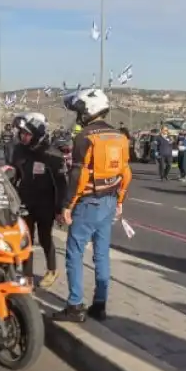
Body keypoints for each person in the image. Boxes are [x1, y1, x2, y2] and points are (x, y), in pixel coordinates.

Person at [54, 88, 132, 323]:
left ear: (88, 110)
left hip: (88, 202)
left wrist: (67, 206)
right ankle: (100, 305)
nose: (78, 115)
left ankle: (75, 305)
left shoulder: (85, 137)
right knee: (101, 255)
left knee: (75, 254)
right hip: (109, 201)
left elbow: (78, 176)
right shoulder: (120, 136)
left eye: (79, 110)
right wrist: (119, 202)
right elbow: (126, 174)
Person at [11, 114, 67, 289]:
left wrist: (60, 209)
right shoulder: (19, 150)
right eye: (22, 133)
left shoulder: (52, 154)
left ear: (36, 134)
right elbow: (14, 174)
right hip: (25, 201)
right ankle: (27, 276)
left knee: (44, 238)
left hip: (46, 203)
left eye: (27, 134)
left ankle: (52, 270)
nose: (23, 137)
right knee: (26, 239)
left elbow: (61, 184)